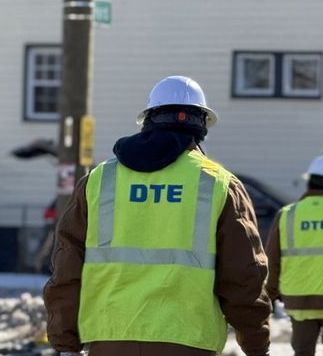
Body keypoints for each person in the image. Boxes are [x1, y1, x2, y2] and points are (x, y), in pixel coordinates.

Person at [44, 75, 272, 356]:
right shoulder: (218, 184)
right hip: (188, 342)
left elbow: (67, 267)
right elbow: (243, 277)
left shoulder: (99, 180)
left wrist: (65, 343)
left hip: (111, 342)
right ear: (201, 128)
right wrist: (256, 344)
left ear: (148, 120)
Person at [266, 155, 323, 356]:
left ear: (308, 181)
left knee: (303, 351)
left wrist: (270, 294)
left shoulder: (287, 214)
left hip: (298, 300)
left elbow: (273, 259)